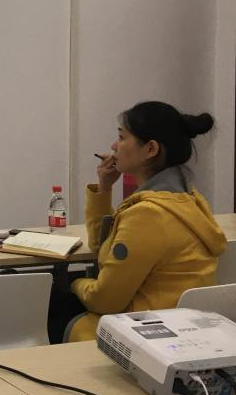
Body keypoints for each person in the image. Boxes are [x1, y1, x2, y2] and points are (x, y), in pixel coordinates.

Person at [63, 101, 226, 343]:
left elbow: (105, 301)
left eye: (122, 137)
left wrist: (74, 283)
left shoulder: (147, 215)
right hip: (184, 329)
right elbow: (104, 247)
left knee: (58, 307)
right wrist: (104, 188)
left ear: (150, 149)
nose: (114, 146)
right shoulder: (190, 200)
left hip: (143, 333)